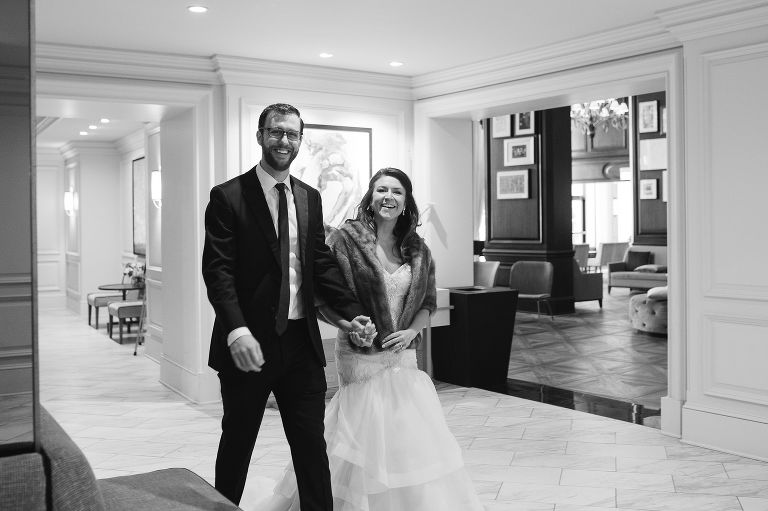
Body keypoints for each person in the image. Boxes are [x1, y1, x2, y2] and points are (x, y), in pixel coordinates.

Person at [255, 167, 484, 510]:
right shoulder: (344, 240)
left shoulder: (418, 250)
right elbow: (319, 299)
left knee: (406, 437)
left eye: (396, 192)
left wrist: (412, 331)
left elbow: (428, 304)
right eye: (381, 190)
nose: (388, 197)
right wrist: (349, 326)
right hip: (360, 356)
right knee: (359, 436)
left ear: (406, 202)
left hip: (403, 356)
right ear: (370, 197)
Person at [202, 103, 375, 510]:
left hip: (301, 344)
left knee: (312, 449)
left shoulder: (309, 197)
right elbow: (218, 271)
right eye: (276, 132)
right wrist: (236, 330)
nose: (284, 140)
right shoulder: (228, 196)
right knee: (238, 443)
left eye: (292, 134)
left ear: (300, 140)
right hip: (249, 347)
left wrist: (352, 314)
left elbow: (320, 265)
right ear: (260, 136)